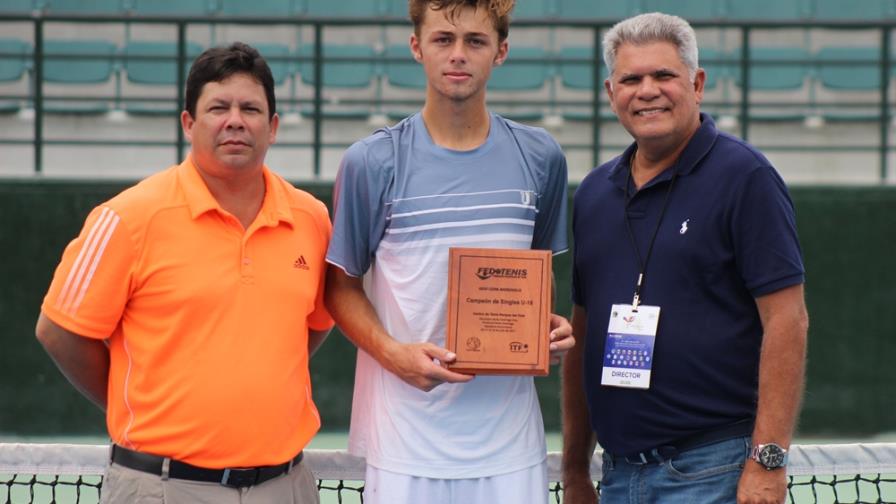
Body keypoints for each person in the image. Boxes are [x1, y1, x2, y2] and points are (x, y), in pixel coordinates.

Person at [35, 42, 332, 504]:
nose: (235, 120)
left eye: (251, 108)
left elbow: (312, 326)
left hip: (285, 486)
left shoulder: (312, 220)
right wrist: (137, 400)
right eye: (218, 107)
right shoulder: (126, 218)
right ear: (189, 124)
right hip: (161, 486)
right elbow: (58, 332)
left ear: (272, 128)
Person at [324, 1, 574, 502]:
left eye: (476, 42)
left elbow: (532, 273)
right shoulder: (371, 161)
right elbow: (339, 289)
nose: (458, 55)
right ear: (417, 47)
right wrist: (396, 356)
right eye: (443, 39)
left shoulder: (541, 157)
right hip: (405, 447)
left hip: (510, 449)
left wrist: (543, 326)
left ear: (500, 52)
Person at [561, 12, 809, 504]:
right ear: (611, 93)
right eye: (631, 79)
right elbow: (584, 334)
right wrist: (573, 471)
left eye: (663, 76)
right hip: (617, 475)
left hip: (715, 471)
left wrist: (768, 459)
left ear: (696, 84)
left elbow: (788, 321)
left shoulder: (746, 177)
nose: (647, 90)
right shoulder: (592, 194)